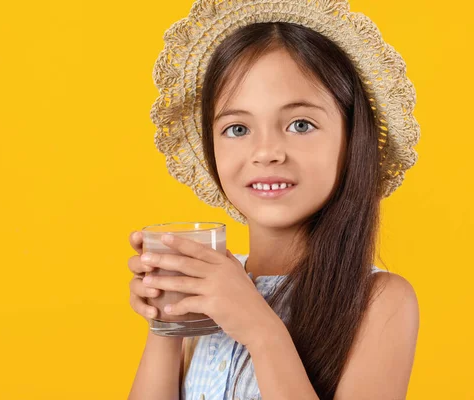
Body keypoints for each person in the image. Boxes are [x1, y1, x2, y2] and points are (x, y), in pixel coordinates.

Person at [128, 1, 420, 399]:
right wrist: (168, 322)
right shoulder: (211, 289)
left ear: (353, 140)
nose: (266, 152)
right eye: (237, 128)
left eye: (300, 124)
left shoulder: (381, 302)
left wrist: (260, 328)